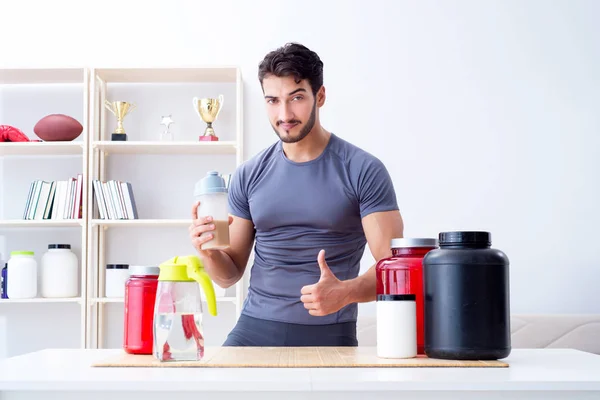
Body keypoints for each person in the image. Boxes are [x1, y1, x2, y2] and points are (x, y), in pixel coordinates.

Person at [189, 42, 404, 346]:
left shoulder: (363, 170)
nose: (284, 113)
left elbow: (395, 268)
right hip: (253, 330)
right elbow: (229, 275)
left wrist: (347, 292)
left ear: (321, 96)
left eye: (297, 98)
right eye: (273, 101)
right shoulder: (248, 174)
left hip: (329, 334)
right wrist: (208, 251)